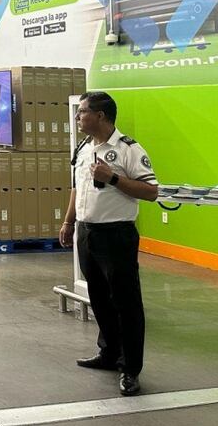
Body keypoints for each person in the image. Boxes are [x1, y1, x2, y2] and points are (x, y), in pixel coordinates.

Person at [59, 91, 158, 397]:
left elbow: (151, 191)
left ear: (100, 116)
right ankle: (108, 353)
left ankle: (130, 368)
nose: (78, 118)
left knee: (125, 303)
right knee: (99, 298)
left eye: (82, 112)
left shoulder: (129, 149)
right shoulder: (84, 149)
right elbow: (77, 188)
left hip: (117, 235)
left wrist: (113, 178)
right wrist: (68, 221)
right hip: (88, 233)